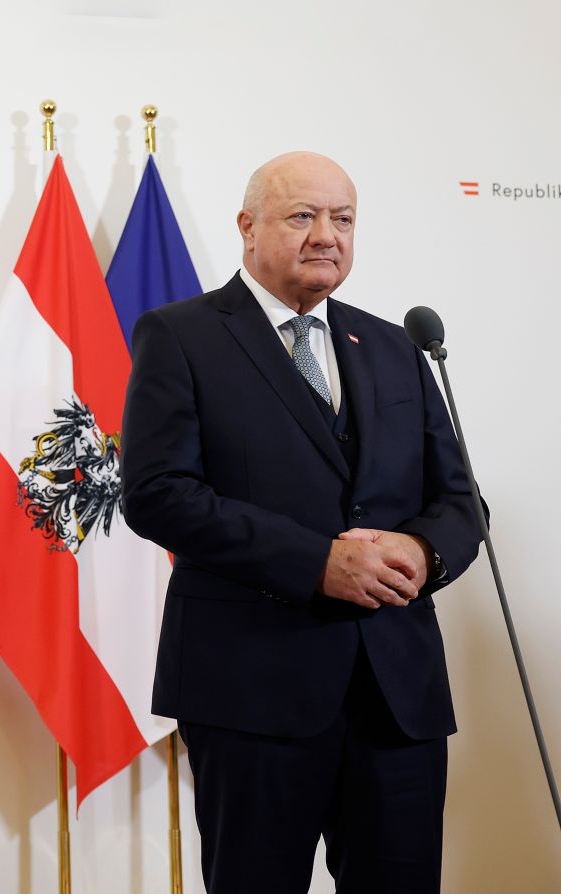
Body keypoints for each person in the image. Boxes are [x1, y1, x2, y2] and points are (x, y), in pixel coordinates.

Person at [121, 151, 482, 893]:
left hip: (397, 697)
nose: (327, 234)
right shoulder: (180, 336)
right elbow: (158, 493)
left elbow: (461, 500)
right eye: (302, 216)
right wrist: (317, 562)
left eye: (343, 218)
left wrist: (423, 551)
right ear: (248, 227)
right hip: (251, 692)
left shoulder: (395, 346)